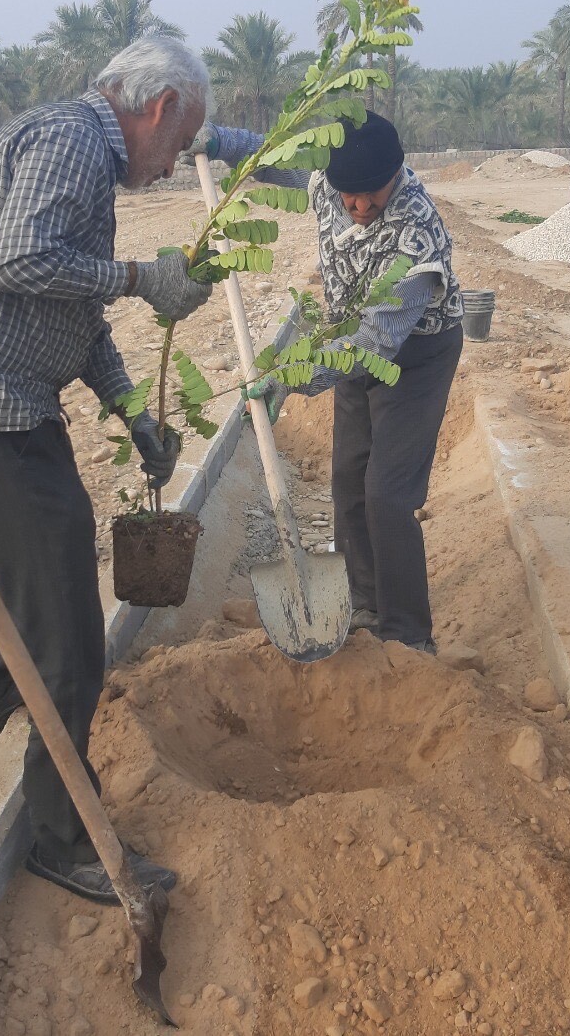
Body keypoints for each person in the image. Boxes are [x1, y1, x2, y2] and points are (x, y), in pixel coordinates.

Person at [0, 36, 212, 904]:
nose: (175, 163)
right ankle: (64, 838)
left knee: (33, 564)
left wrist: (130, 410)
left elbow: (69, 308)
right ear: (160, 107)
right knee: (70, 615)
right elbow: (20, 261)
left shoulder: (75, 144)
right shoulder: (75, 145)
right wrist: (141, 276)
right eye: (180, 145)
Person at [193, 112, 464, 654]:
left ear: (397, 174)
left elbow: (376, 344)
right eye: (350, 197)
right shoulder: (327, 180)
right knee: (348, 481)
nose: (361, 207)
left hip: (411, 357)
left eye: (373, 195)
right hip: (346, 342)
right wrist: (220, 140)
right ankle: (363, 600)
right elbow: (280, 157)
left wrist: (292, 376)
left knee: (388, 494)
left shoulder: (416, 233)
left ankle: (409, 633)